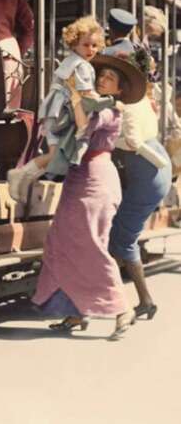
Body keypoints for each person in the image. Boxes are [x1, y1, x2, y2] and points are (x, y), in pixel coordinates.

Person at [32, 54, 147, 340]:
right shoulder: (97, 103)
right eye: (101, 75)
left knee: (91, 245)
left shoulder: (110, 109)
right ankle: (75, 311)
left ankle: (122, 308)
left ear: (119, 89)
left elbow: (84, 126)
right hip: (80, 178)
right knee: (61, 241)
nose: (102, 79)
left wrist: (72, 94)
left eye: (110, 78)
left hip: (96, 180)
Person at [7, 16, 114, 202]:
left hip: (55, 111)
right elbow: (87, 95)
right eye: (86, 45)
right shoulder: (82, 66)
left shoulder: (71, 61)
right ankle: (20, 175)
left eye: (95, 46)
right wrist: (110, 102)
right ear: (74, 44)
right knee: (57, 154)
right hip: (61, 113)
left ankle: (23, 179)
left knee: (55, 155)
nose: (91, 50)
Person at [108, 50, 172, 321]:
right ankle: (138, 299)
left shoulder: (130, 105)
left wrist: (106, 142)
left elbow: (132, 142)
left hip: (148, 173)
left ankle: (143, 300)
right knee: (122, 236)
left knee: (122, 239)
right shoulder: (142, 99)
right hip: (155, 170)